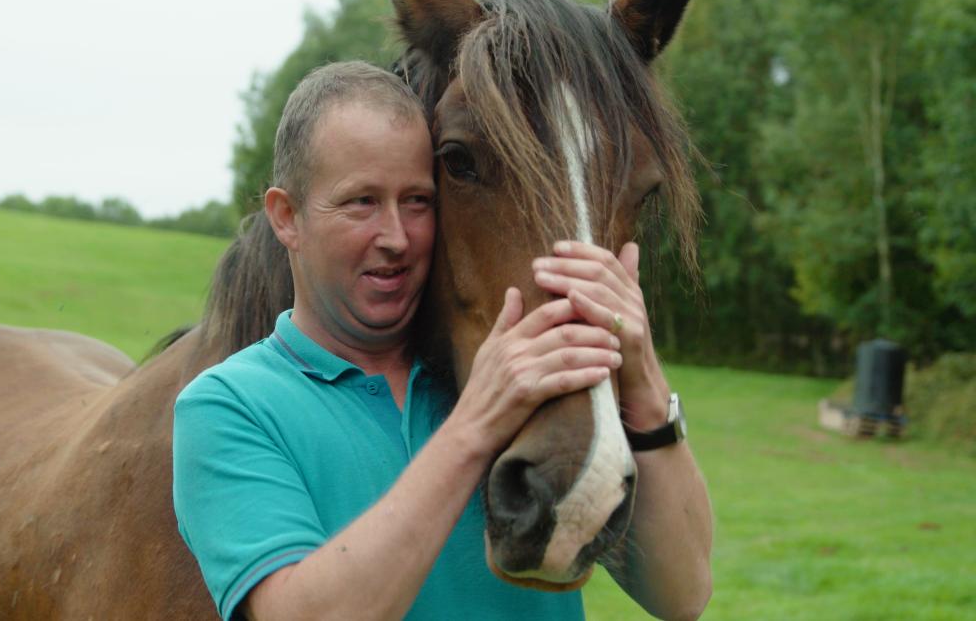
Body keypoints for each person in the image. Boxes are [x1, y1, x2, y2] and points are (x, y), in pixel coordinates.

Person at [172, 61, 712, 621]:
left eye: (418, 201)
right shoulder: (227, 408)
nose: (396, 238)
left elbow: (683, 594)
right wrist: (475, 429)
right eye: (361, 202)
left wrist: (644, 379)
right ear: (287, 217)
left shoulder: (496, 367)